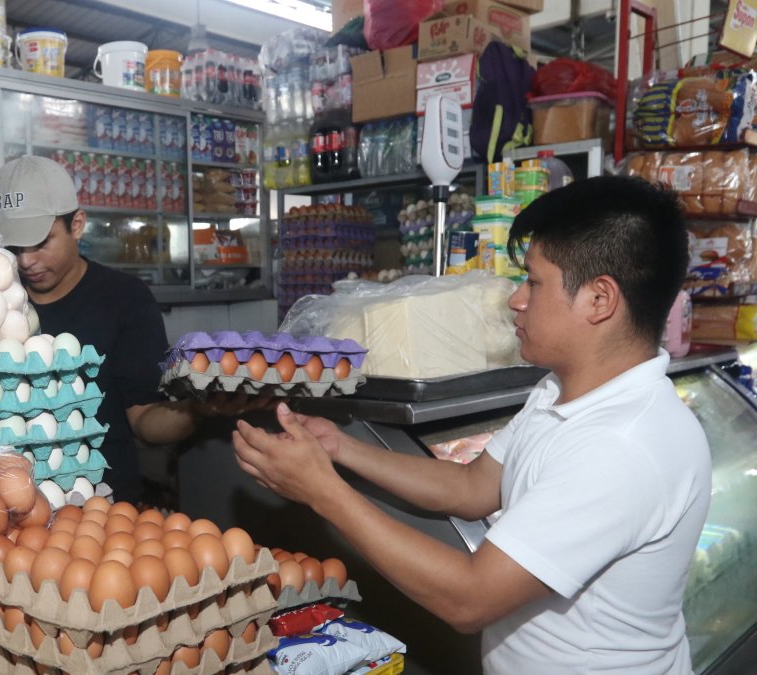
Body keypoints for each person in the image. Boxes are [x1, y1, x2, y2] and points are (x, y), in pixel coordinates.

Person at [232, 176, 710, 674]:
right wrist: (341, 451)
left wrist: (322, 491)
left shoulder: (619, 445)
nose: (516, 300)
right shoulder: (564, 390)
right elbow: (472, 486)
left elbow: (470, 598)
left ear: (599, 300)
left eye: (534, 281)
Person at [0, 155, 258, 503]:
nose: (26, 262)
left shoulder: (123, 300)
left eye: (41, 243)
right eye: (13, 247)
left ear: (78, 225)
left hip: (104, 508)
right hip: (5, 503)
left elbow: (145, 420)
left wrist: (196, 409)